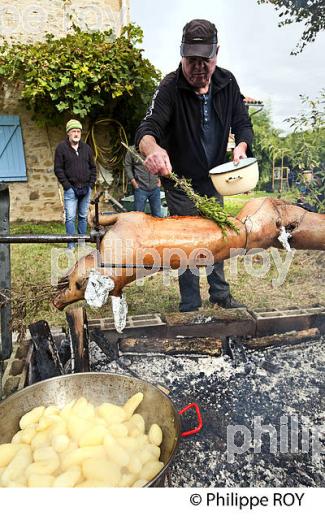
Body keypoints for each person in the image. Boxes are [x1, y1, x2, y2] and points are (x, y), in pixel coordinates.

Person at [135, 19, 253, 312]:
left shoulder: (227, 83)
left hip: (214, 179)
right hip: (181, 182)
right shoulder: (170, 86)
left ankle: (220, 294)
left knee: (218, 235)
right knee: (187, 242)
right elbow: (147, 128)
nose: (199, 68)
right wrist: (152, 148)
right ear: (181, 55)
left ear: (217, 54)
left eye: (206, 60)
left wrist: (241, 145)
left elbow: (242, 121)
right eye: (192, 61)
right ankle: (190, 302)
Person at [54, 119, 97, 248]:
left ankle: (82, 243)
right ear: (68, 133)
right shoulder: (61, 148)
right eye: (74, 131)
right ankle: (71, 245)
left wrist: (90, 184)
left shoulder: (87, 148)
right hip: (71, 189)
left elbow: (93, 168)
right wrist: (67, 186)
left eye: (78, 131)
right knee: (70, 218)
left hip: (86, 188)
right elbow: (58, 169)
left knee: (83, 217)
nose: (76, 134)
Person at [124, 145, 162, 217]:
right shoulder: (132, 150)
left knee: (157, 215)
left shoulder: (154, 147)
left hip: (155, 188)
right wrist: (133, 181)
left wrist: (160, 179)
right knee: (138, 216)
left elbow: (160, 163)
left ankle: (154, 228)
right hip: (140, 188)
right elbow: (127, 166)